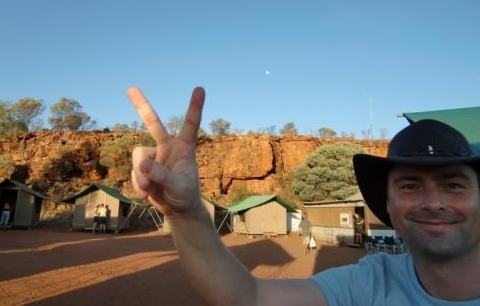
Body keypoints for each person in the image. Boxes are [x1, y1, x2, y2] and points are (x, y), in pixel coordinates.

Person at [128, 86, 480, 305]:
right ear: (387, 203)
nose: (433, 201)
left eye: (453, 184)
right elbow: (248, 297)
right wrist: (186, 214)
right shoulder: (369, 283)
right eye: (410, 185)